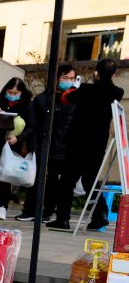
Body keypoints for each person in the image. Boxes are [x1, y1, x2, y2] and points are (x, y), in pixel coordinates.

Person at [48, 59, 125, 231]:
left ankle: (63, 219)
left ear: (96, 72)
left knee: (67, 181)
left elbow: (66, 97)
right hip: (98, 145)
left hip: (77, 142)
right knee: (90, 180)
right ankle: (100, 215)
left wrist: (75, 86)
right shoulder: (117, 92)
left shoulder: (85, 89)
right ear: (113, 74)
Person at [16, 64, 77, 221]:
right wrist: (32, 146)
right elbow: (34, 124)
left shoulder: (74, 101)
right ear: (56, 78)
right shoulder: (42, 99)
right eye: (65, 78)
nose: (68, 81)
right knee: (34, 179)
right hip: (42, 145)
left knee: (53, 181)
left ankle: (47, 211)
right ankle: (30, 210)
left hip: (63, 148)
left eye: (72, 78)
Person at [0, 77, 35, 221]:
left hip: (11, 144)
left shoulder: (27, 105)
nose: (12, 95)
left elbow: (30, 126)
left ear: (21, 93)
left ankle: (2, 207)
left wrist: (19, 138)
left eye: (15, 93)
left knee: (6, 175)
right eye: (10, 92)